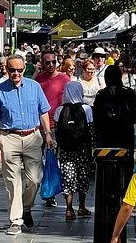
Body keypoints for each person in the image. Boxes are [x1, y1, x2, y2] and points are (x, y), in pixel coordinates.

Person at [0, 55, 55, 236]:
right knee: (13, 182)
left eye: (19, 70)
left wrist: (48, 134)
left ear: (25, 69)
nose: (16, 73)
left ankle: (26, 207)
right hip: (9, 138)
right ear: (6, 70)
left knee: (35, 179)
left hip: (33, 136)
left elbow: (44, 111)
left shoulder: (34, 87)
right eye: (12, 70)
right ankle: (15, 220)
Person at [54, 81, 94, 220]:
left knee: (68, 178)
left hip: (66, 150)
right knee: (83, 177)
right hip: (82, 150)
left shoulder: (60, 110)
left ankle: (69, 209)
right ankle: (82, 207)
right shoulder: (87, 109)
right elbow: (91, 130)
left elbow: (57, 131)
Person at [35, 48, 70, 207]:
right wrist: (35, 74)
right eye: (47, 62)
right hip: (40, 124)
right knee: (39, 160)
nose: (50, 65)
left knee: (55, 160)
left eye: (53, 62)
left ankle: (52, 192)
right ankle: (46, 190)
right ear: (42, 63)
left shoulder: (65, 79)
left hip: (57, 125)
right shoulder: (38, 79)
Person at [94, 65, 136, 153]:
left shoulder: (101, 94)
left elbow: (96, 116)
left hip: (106, 134)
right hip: (124, 134)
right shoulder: (128, 92)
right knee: (126, 162)